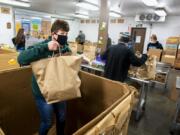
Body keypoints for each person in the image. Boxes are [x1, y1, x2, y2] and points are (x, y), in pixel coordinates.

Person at [18, 19, 72, 135]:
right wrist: (46, 47)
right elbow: (21, 59)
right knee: (47, 122)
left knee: (62, 118)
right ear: (54, 34)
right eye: (62, 34)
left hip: (60, 90)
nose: (65, 37)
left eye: (66, 34)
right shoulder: (42, 47)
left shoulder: (65, 48)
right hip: (43, 93)